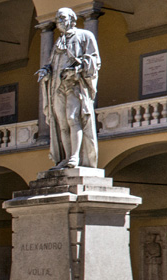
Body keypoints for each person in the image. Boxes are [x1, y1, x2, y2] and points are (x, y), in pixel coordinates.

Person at [37, 7, 100, 169]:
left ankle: (75, 157)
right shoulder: (59, 42)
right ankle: (66, 157)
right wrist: (46, 71)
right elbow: (52, 64)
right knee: (61, 123)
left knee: (73, 119)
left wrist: (76, 69)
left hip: (74, 86)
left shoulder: (85, 36)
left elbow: (94, 61)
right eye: (57, 20)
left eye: (62, 18)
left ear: (72, 19)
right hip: (57, 87)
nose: (59, 23)